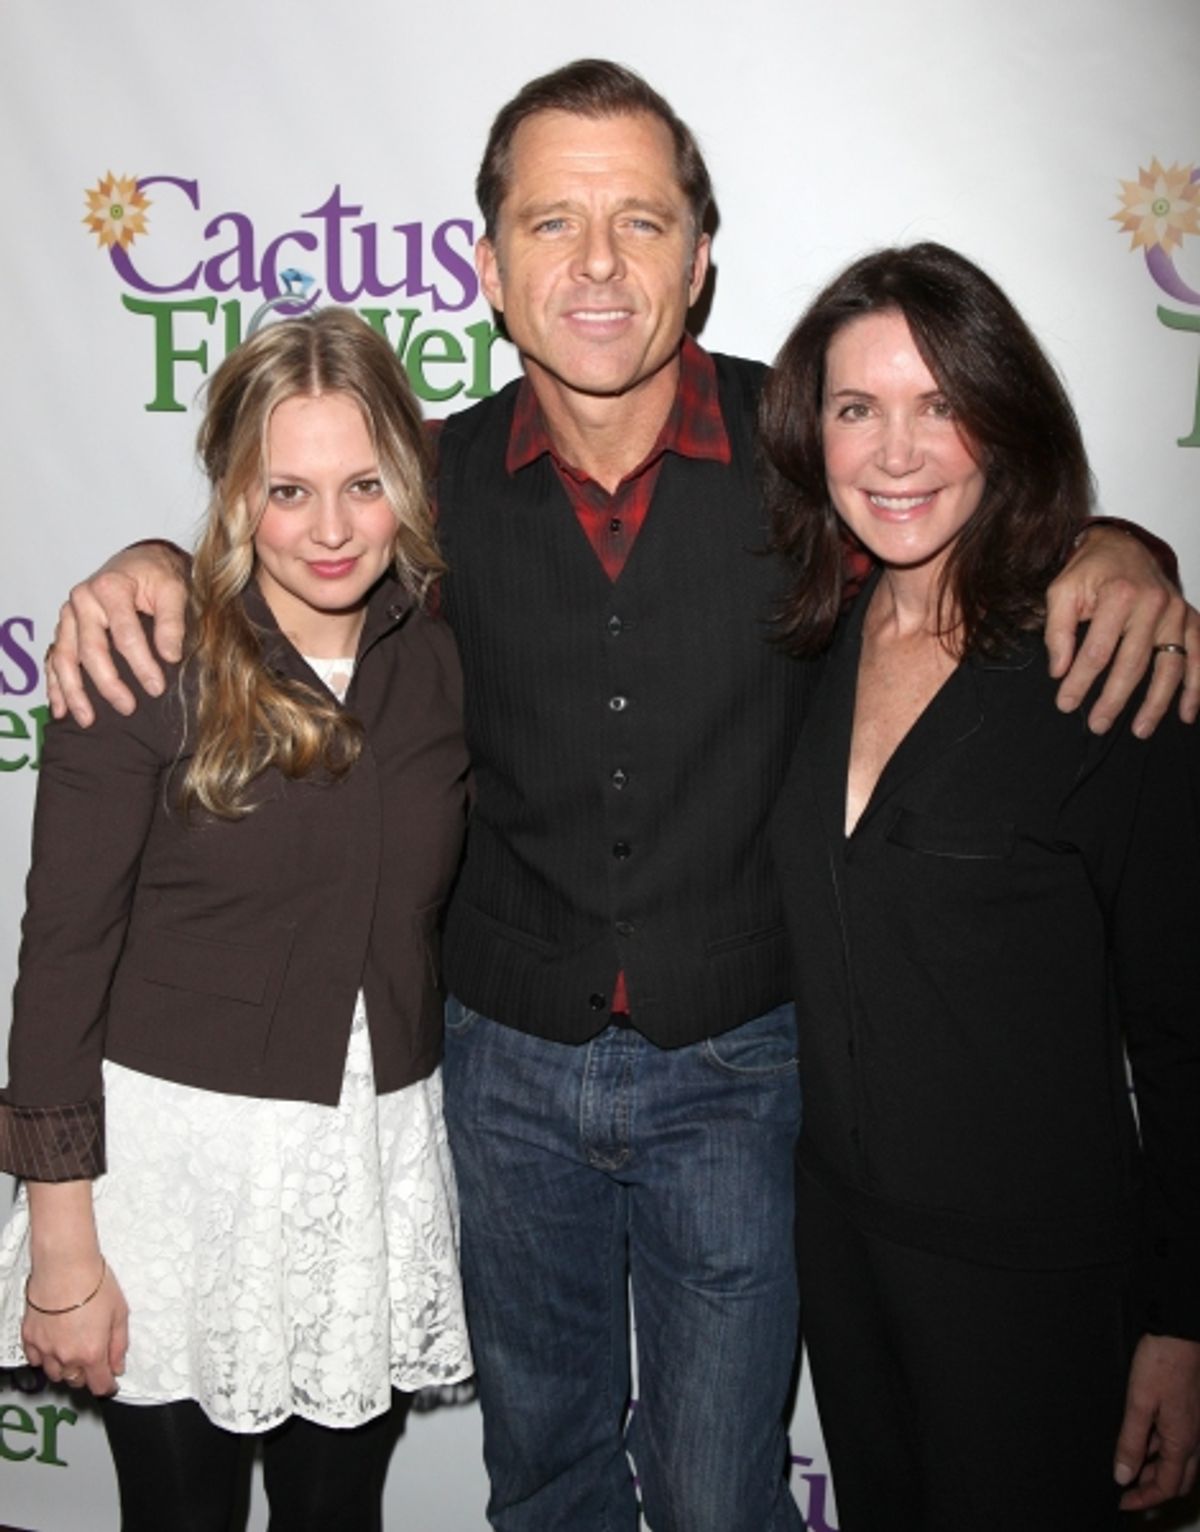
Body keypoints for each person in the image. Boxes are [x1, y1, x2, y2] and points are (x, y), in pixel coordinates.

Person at [40, 62, 1197, 1532]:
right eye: (551, 224)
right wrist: (145, 557)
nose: (596, 266)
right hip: (502, 1068)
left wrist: (1120, 545)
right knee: (548, 1486)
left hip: (747, 1069)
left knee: (723, 1500)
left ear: (701, 260)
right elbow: (272, 555)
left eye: (641, 224)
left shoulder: (811, 457)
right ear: (488, 268)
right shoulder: (424, 488)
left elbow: (962, 514)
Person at [0, 308, 471, 1532]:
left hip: (365, 1167)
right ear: (231, 492)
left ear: (406, 483)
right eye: (287, 488)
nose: (328, 529)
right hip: (176, 1181)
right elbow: (60, 962)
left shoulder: (440, 657)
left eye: (363, 484)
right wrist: (62, 1253)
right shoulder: (146, 655)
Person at [761, 242, 1200, 1532]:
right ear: (814, 430)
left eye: (940, 403)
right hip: (840, 1263)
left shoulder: (1104, 673)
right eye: (858, 408)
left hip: (1041, 1289)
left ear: (1004, 419)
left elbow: (1187, 1032)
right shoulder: (812, 639)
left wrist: (1184, 1319)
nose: (897, 452)